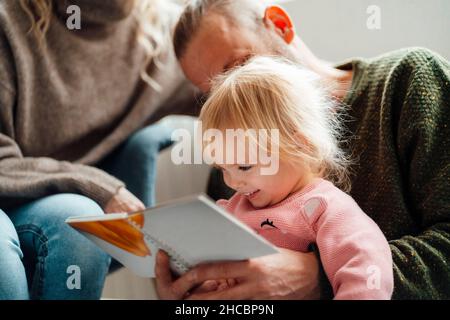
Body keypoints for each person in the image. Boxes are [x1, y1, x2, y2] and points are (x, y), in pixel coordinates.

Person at [155, 0, 450, 299]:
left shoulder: (407, 82)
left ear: (280, 25)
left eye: (240, 67)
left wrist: (317, 276)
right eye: (215, 93)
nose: (233, 94)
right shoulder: (234, 163)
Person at [0, 0, 196, 299]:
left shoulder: (169, 34)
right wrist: (97, 187)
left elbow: (253, 80)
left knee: (80, 222)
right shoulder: (9, 21)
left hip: (51, 204)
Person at [199, 56, 393, 299]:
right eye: (223, 168)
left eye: (244, 166)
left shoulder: (323, 208)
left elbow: (366, 269)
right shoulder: (235, 208)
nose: (232, 182)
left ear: (300, 146)